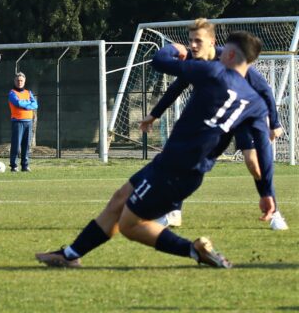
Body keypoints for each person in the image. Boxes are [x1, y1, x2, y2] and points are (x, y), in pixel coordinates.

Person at [36, 31, 275, 269]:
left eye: (224, 51)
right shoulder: (255, 103)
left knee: (129, 224)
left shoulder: (212, 72)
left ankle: (194, 250)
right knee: (119, 199)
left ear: (231, 54)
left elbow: (159, 61)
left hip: (175, 170)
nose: (219, 54)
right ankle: (69, 254)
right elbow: (264, 149)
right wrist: (266, 192)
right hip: (177, 168)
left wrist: (174, 49)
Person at [139, 18, 288, 231]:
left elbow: (263, 89)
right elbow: (177, 87)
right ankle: (172, 211)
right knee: (186, 158)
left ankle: (274, 212)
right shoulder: (195, 62)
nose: (193, 45)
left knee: (254, 163)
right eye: (190, 41)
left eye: (198, 41)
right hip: (215, 119)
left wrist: (274, 122)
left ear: (212, 42)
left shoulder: (229, 59)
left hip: (243, 115)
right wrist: (154, 114)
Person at [8, 72, 38, 172]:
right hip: (17, 122)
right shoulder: (12, 93)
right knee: (16, 145)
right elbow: (17, 103)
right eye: (18, 80)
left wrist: (24, 105)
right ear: (14, 81)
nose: (19, 82)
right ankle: (14, 166)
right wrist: (28, 104)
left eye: (21, 80)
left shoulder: (28, 93)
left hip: (28, 122)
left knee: (26, 145)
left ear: (24, 81)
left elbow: (35, 105)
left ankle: (25, 166)